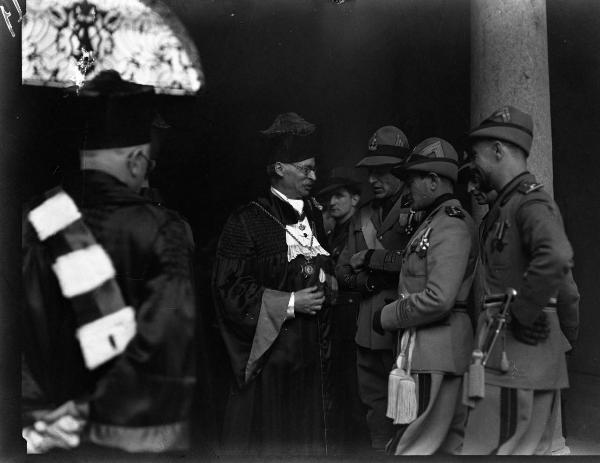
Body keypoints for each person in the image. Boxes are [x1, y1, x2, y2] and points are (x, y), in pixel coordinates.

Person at [21, 70, 196, 453]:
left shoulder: (36, 220)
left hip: (48, 437)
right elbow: (167, 350)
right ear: (136, 162)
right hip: (133, 438)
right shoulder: (164, 229)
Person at [212, 112, 337, 456]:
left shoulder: (314, 215)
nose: (314, 176)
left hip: (312, 362)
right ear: (280, 168)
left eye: (314, 168)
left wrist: (330, 279)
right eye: (305, 168)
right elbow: (228, 291)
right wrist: (292, 302)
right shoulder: (247, 221)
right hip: (271, 365)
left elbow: (320, 266)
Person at [461, 106, 578, 454]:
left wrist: (525, 314)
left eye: (476, 154)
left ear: (498, 150)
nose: (475, 163)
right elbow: (567, 289)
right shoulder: (509, 206)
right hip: (513, 356)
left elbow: (557, 258)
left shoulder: (529, 204)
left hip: (516, 357)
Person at [372, 137, 476, 455]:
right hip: (431, 351)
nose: (408, 189)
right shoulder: (434, 221)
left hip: (435, 354)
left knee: (415, 447)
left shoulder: (450, 225)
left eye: (412, 180)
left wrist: (386, 316)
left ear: (433, 181)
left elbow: (439, 299)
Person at [336, 126, 419, 450]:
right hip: (367, 332)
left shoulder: (419, 212)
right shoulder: (364, 215)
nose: (373, 179)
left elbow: (422, 266)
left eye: (382, 171)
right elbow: (342, 268)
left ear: (401, 171)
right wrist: (366, 281)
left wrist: (373, 261)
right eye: (371, 171)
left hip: (403, 330)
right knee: (374, 411)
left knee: (408, 413)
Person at [316, 169, 367, 452]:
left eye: (339, 195)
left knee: (355, 390)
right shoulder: (332, 231)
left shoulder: (362, 229)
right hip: (336, 319)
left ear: (355, 199)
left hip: (355, 318)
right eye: (328, 198)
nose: (332, 202)